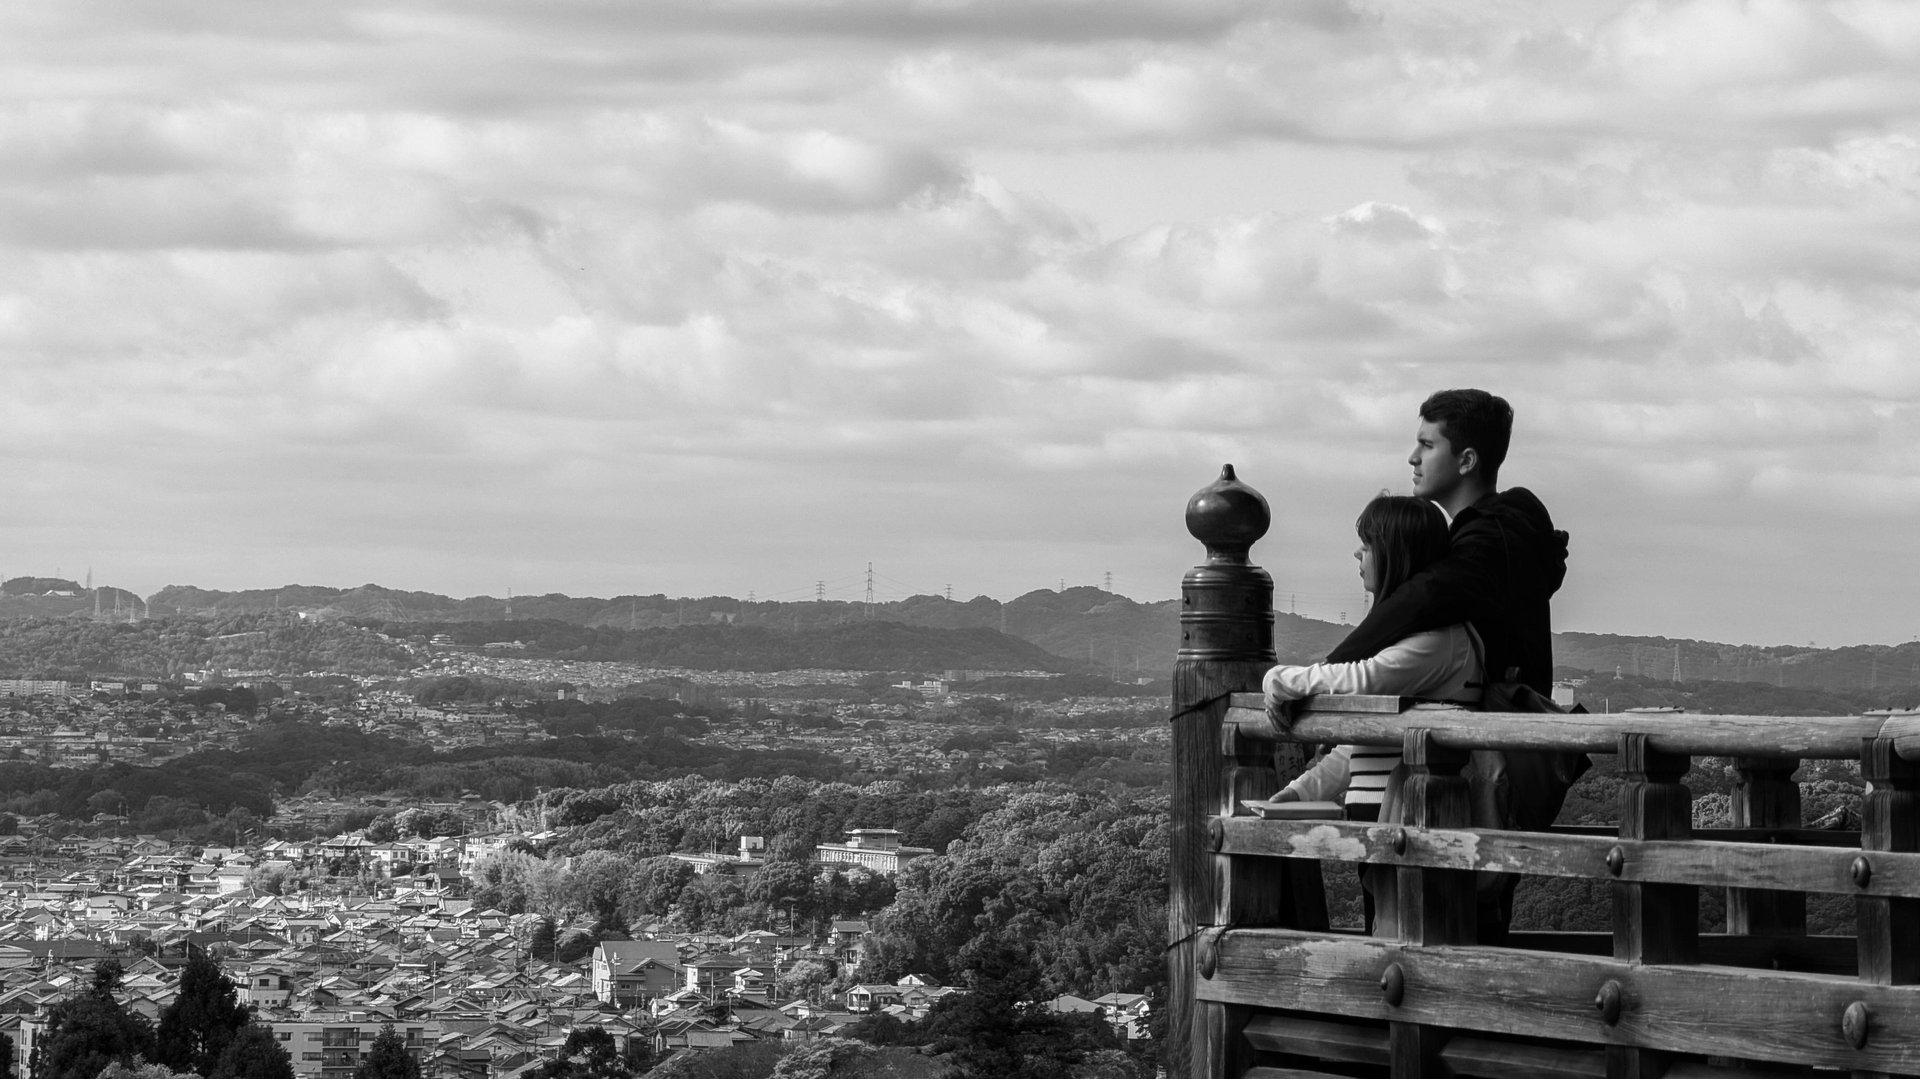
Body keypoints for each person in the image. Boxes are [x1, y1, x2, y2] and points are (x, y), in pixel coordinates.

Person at [1322, 388, 1572, 942]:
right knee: (1461, 927)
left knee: (1437, 932)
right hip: (1491, 768)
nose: (1412, 458)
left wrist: (1324, 673)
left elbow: (1422, 599)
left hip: (1473, 772)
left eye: (1425, 444)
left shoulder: (1484, 542)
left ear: (1466, 460)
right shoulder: (1508, 534)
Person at [1264, 494, 1484, 936]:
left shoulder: (1443, 641)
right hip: (1390, 828)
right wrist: (1300, 793)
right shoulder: (1421, 637)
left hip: (1417, 828)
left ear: (1397, 552)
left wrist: (1281, 680)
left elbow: (1364, 679)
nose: (1357, 553)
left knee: (1406, 952)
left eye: (1367, 543)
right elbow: (1359, 745)